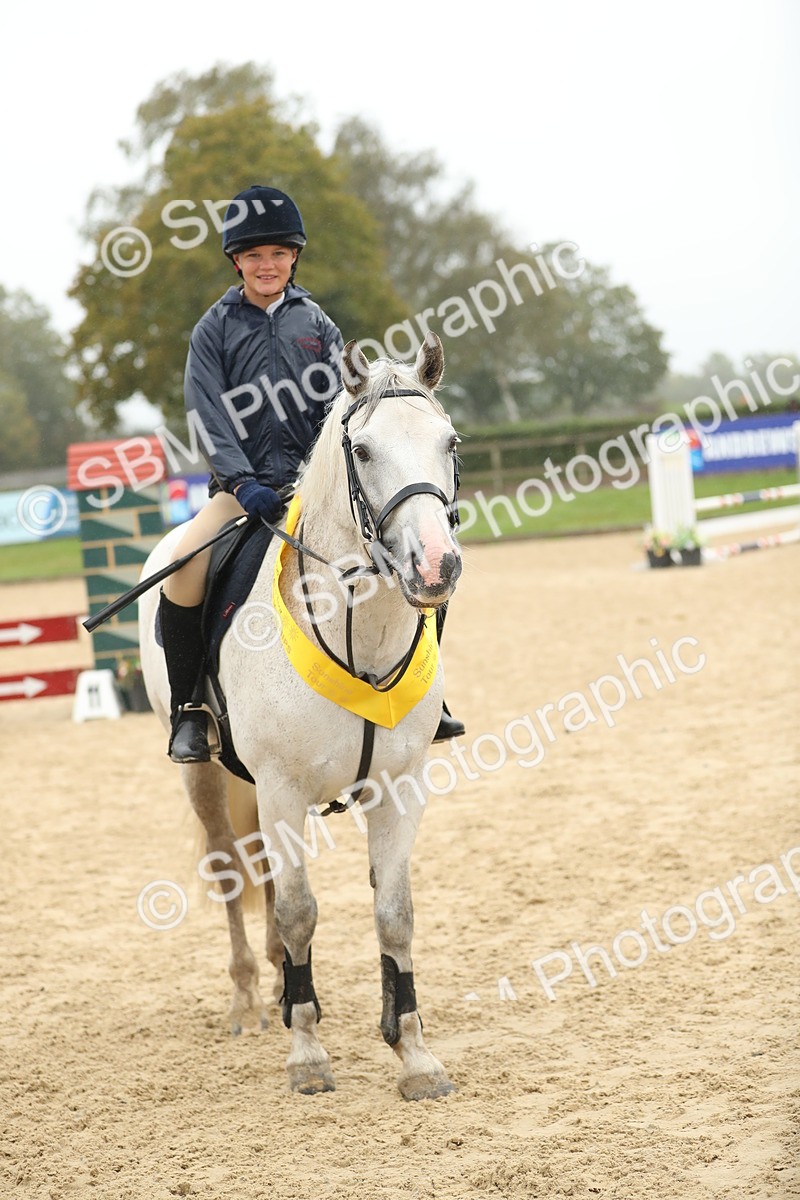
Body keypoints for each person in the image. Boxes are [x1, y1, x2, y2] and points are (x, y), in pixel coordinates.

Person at [160, 183, 464, 764]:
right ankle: (190, 709)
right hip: (241, 492)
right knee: (185, 568)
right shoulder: (213, 331)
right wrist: (241, 481)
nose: (266, 265)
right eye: (253, 256)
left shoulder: (318, 324)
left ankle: (426, 696)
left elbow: (341, 412)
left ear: (293, 256)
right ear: (236, 262)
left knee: (414, 550)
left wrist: (329, 479)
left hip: (311, 489)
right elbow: (207, 414)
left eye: (277, 254)